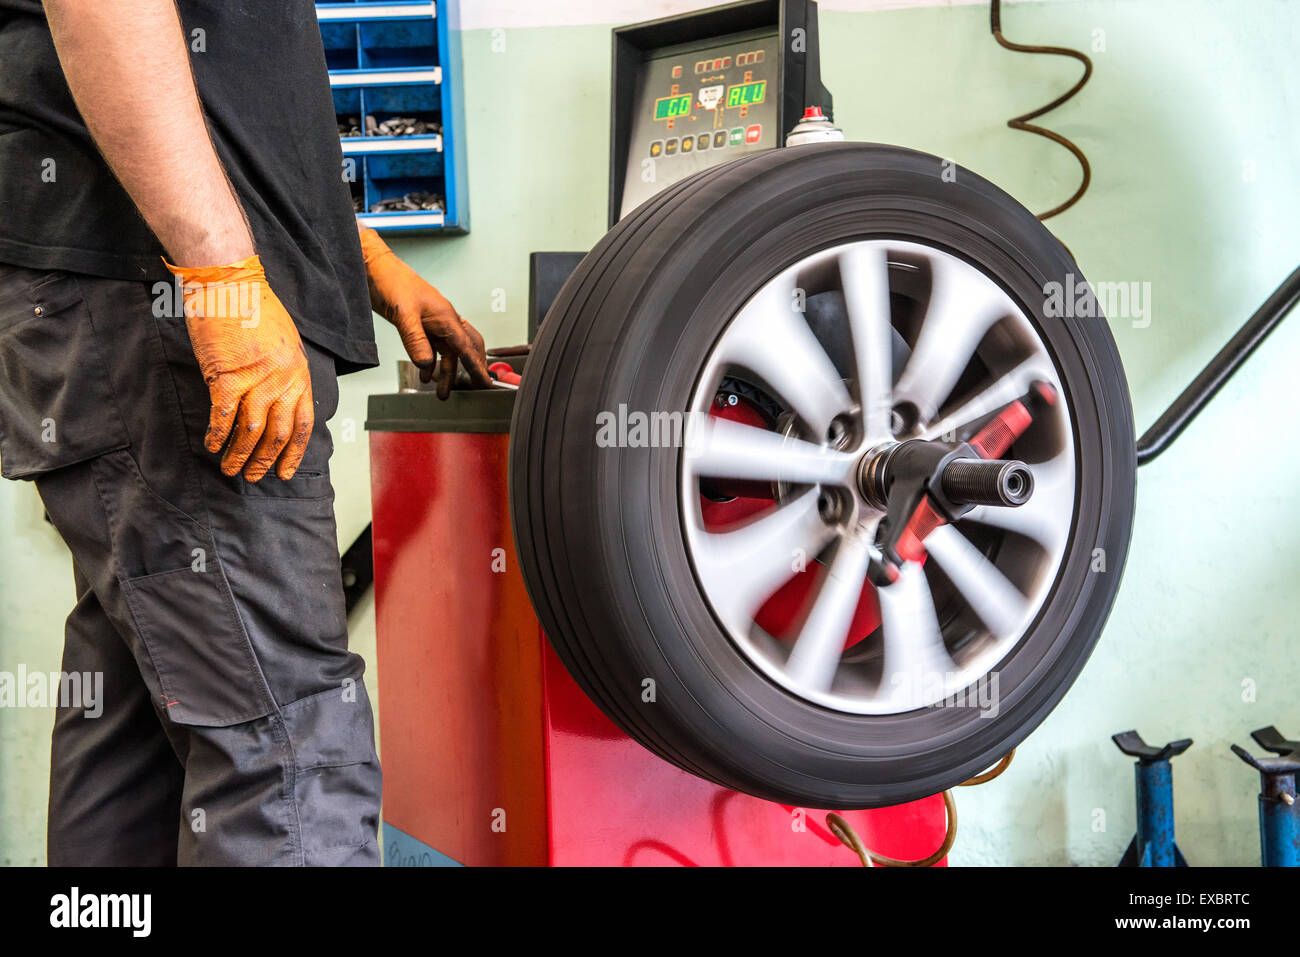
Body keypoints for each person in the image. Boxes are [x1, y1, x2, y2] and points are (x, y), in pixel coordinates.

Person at [0, 0, 490, 865]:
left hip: (120, 299)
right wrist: (222, 274)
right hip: (156, 303)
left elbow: (229, 105)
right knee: (289, 749)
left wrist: (361, 257)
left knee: (139, 719)